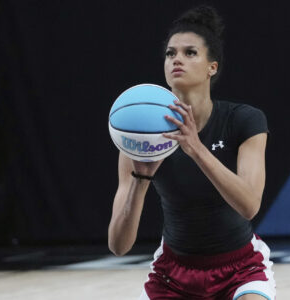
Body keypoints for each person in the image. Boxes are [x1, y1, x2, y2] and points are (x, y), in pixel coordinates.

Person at [108, 5, 276, 300]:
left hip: (240, 268)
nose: (177, 60)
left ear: (212, 67)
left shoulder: (244, 120)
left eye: (190, 53)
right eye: (171, 53)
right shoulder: (140, 134)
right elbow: (118, 245)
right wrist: (140, 178)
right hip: (173, 273)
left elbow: (249, 205)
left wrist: (196, 149)